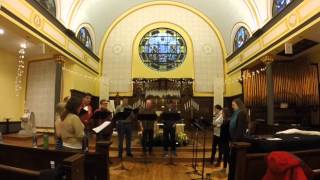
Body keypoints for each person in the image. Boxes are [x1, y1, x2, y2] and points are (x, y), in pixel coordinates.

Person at [228, 98, 248, 180]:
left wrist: (234, 142)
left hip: (237, 142)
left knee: (234, 162)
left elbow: (240, 130)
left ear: (238, 105)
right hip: (233, 140)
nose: (232, 107)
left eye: (233, 105)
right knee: (232, 162)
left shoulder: (241, 113)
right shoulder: (235, 113)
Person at [220, 107, 232, 172]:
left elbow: (228, 132)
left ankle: (229, 169)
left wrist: (229, 141)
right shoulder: (225, 120)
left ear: (225, 113)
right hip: (224, 140)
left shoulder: (228, 121)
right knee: (225, 154)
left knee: (227, 155)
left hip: (226, 140)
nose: (222, 114)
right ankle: (224, 167)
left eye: (222, 113)